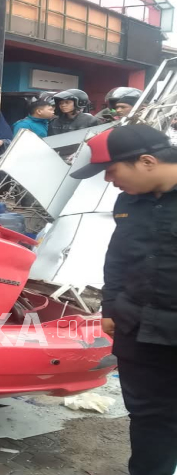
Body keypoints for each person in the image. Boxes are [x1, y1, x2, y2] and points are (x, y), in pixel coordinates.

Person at [70, 124, 177, 475]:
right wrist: (111, 306)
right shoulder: (128, 200)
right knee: (148, 417)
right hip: (139, 330)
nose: (108, 181)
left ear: (146, 161)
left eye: (111, 171)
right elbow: (117, 256)